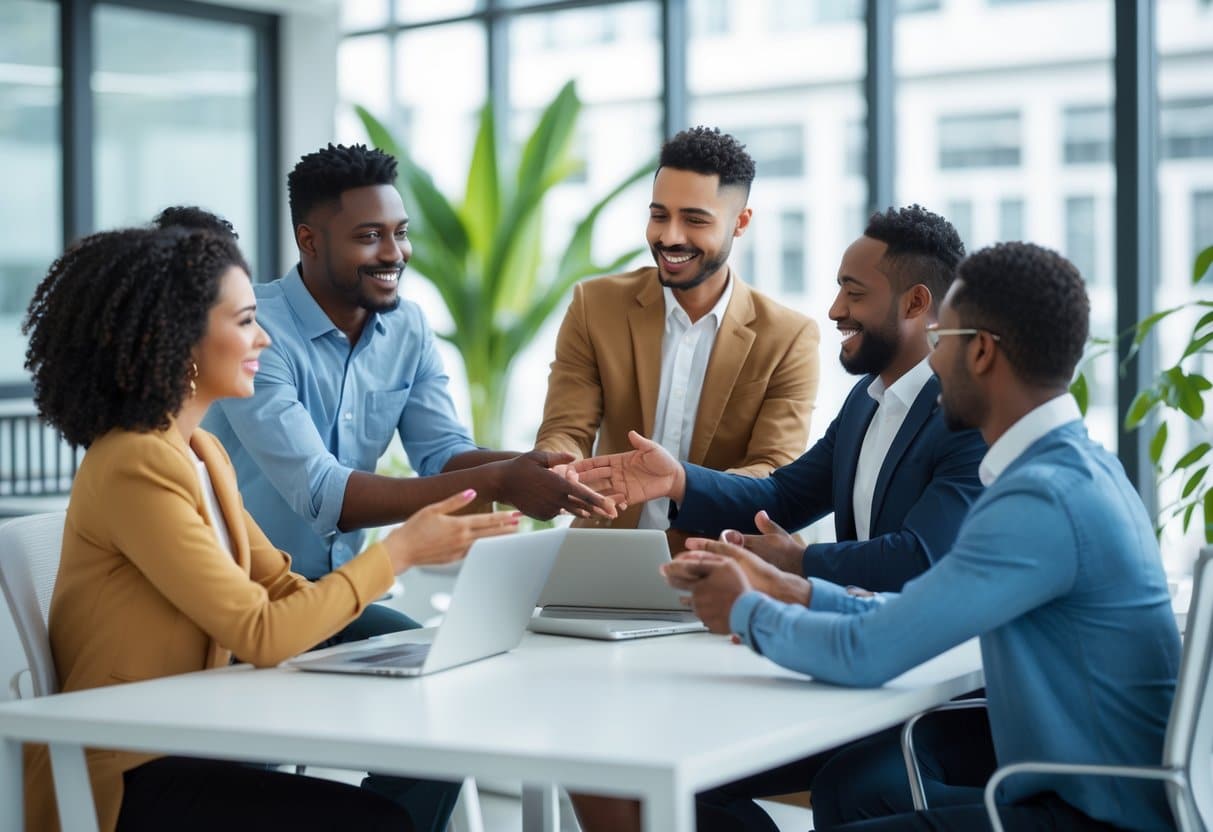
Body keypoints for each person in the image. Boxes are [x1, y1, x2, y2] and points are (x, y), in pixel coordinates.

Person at [662, 242, 1181, 831]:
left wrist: (746, 611)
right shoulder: (1080, 471)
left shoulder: (1040, 499)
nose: (932, 364)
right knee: (847, 789)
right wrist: (796, 591)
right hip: (1088, 798)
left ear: (982, 351)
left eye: (943, 342)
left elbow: (868, 653)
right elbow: (916, 612)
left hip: (1090, 819)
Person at [20, 226, 520, 832]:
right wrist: (401, 552)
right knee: (377, 822)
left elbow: (280, 590)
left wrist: (385, 649)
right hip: (127, 774)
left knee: (426, 755)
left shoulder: (202, 451)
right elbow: (257, 632)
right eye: (245, 321)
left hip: (193, 739)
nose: (263, 337)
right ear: (178, 340)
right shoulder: (134, 462)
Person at [569, 205, 988, 830]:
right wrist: (677, 479)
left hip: (935, 696)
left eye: (853, 292)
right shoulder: (866, 402)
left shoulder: (966, 413)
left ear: (915, 302)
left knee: (857, 787)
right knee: (660, 759)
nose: (835, 310)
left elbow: (920, 559)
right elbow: (784, 495)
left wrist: (797, 563)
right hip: (856, 669)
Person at [201, 144, 614, 633]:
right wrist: (502, 480)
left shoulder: (407, 328)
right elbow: (322, 492)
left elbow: (442, 454)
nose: (394, 254)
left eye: (400, 233)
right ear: (309, 241)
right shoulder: (256, 331)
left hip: (338, 593)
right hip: (240, 598)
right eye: (370, 236)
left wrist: (544, 470)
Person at [534, 126, 819, 552]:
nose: (669, 236)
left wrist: (683, 485)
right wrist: (561, 468)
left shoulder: (789, 336)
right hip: (606, 555)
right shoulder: (594, 306)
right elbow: (567, 429)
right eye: (659, 215)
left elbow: (773, 468)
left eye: (694, 219)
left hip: (724, 556)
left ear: (740, 223)